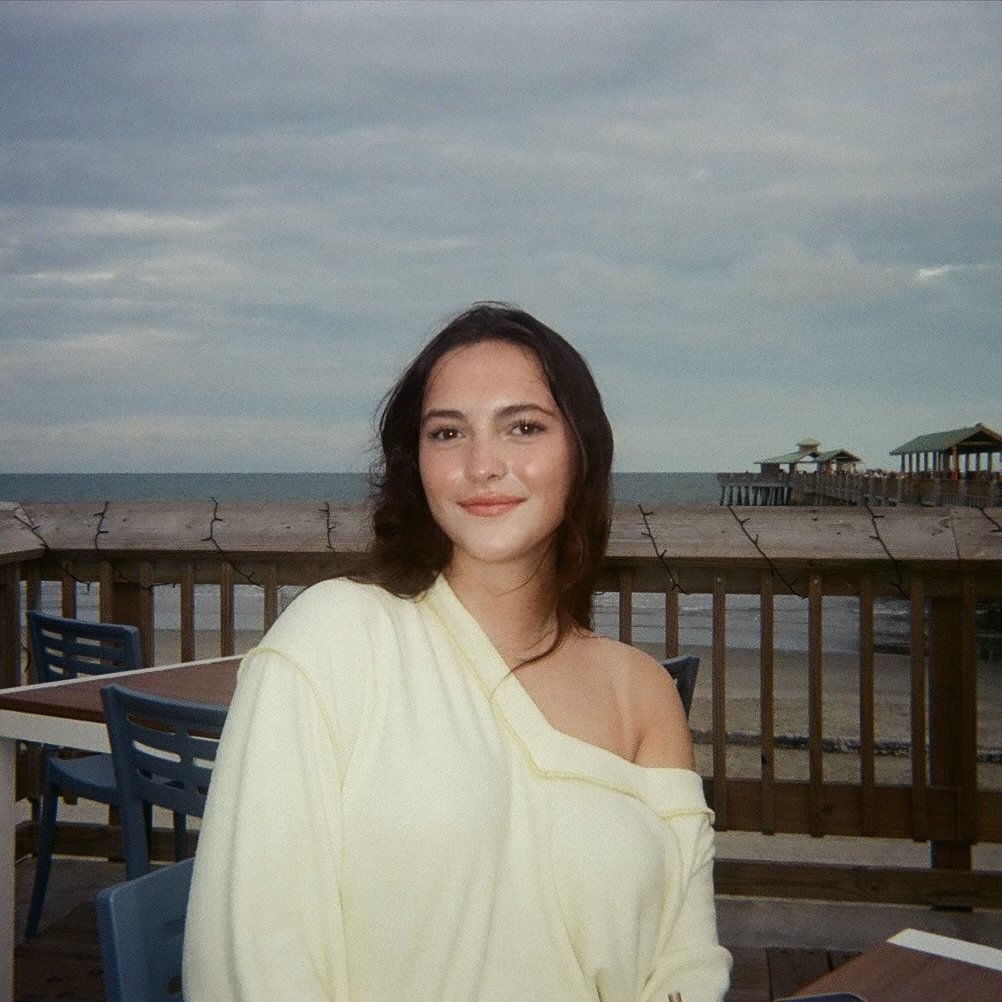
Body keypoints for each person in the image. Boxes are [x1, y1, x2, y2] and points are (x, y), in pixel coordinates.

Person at [183, 303, 732, 1002]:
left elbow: (686, 960)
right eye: (448, 433)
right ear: (416, 465)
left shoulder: (641, 691)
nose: (482, 466)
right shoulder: (334, 639)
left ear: (582, 453)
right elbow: (255, 960)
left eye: (523, 427)